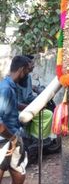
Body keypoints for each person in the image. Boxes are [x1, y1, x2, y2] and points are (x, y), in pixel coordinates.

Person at [0, 55, 29, 183]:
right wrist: (12, 138)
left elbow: (12, 105)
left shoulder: (8, 85)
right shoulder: (6, 89)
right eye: (28, 71)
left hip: (10, 136)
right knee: (14, 168)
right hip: (6, 137)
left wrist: (31, 107)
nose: (28, 75)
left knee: (14, 167)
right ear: (22, 70)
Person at [16, 56, 53, 142]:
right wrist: (40, 100)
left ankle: (30, 135)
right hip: (22, 107)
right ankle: (40, 138)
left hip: (18, 107)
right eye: (32, 64)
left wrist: (34, 87)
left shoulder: (15, 76)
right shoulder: (26, 76)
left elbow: (23, 90)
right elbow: (27, 97)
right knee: (49, 114)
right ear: (26, 65)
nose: (33, 66)